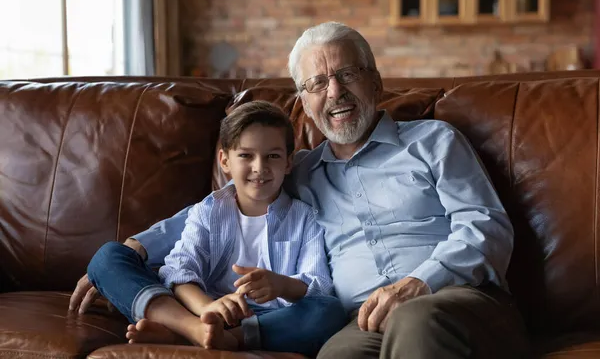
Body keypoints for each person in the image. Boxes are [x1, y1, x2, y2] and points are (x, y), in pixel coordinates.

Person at [71, 22, 530, 358]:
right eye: (317, 83)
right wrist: (133, 247)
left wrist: (418, 283)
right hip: (361, 321)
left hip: (457, 300)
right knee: (336, 355)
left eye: (347, 74)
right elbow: (219, 206)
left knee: (414, 318)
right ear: (303, 101)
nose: (335, 92)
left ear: (375, 80)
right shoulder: (299, 170)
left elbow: (486, 227)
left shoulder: (433, 140)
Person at [83, 101, 347, 355]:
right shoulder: (208, 210)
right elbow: (178, 270)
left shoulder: (305, 218)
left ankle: (219, 338)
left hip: (272, 320)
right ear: (225, 161)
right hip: (199, 309)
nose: (260, 168)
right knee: (107, 257)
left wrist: (282, 285)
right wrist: (209, 309)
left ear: (288, 163)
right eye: (245, 155)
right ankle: (194, 330)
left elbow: (320, 286)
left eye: (272, 156)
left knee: (330, 310)